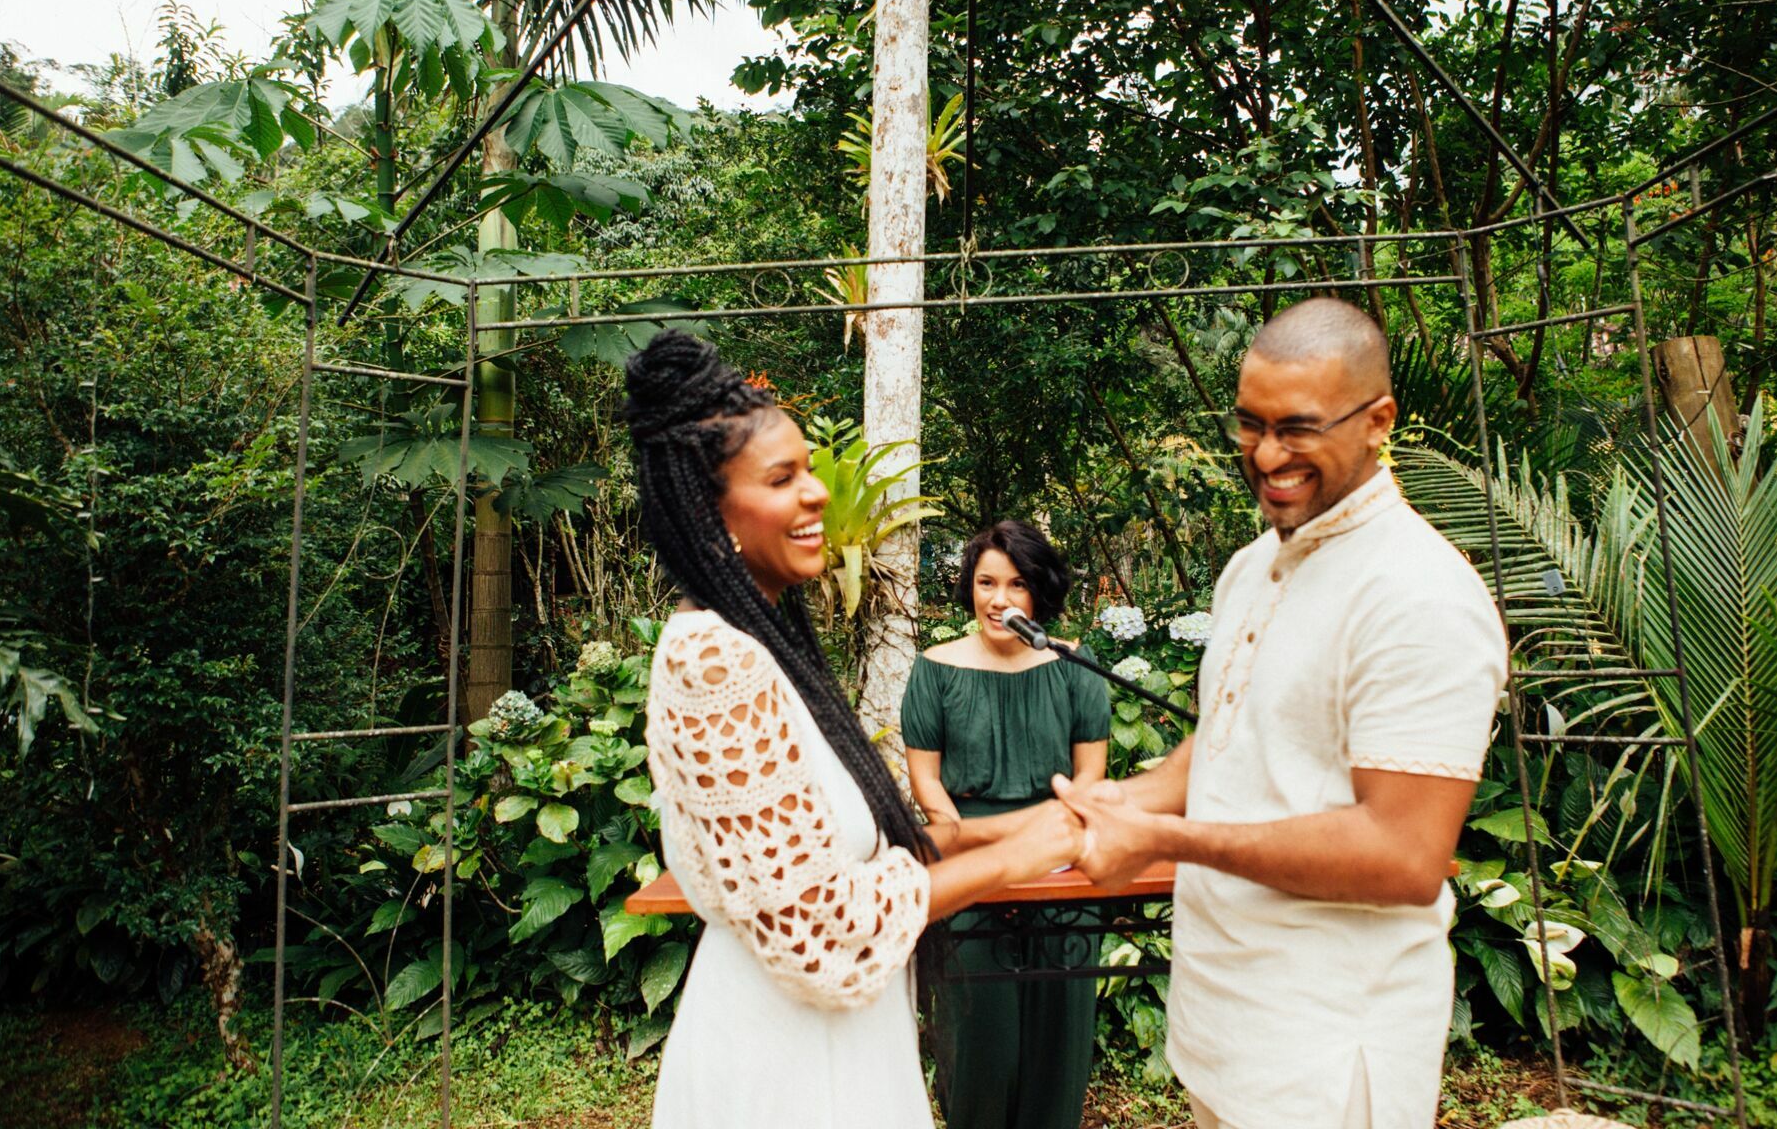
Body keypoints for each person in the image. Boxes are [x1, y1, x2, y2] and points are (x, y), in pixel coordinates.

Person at [1052, 298, 1508, 1129]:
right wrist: (1128, 800)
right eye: (1250, 425)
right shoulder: (1252, 565)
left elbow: (1404, 853)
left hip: (1324, 1058)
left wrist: (1165, 840)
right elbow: (1234, 739)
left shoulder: (1419, 595)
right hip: (1222, 1029)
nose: (1266, 456)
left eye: (1296, 429)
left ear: (1379, 421)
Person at [625, 330, 1087, 1129]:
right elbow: (820, 926)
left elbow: (871, 850)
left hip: (843, 1051)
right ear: (712, 512)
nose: (815, 495)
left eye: (809, 470)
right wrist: (1024, 854)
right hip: (783, 1075)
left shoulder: (763, 642)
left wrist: (1043, 823)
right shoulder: (711, 660)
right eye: (783, 478)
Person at [902, 520, 1112, 1129]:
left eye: (1016, 584)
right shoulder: (935, 668)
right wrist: (962, 839)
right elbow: (926, 780)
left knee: (1058, 1031)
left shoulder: (1074, 666)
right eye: (986, 582)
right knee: (979, 1032)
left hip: (1060, 853)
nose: (999, 599)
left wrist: (1056, 841)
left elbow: (1090, 774)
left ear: (1037, 592)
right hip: (968, 862)